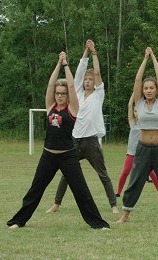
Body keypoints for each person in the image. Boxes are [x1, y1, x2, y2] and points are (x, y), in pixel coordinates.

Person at [7, 52, 110, 229]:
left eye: (63, 93)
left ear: (68, 95)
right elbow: (50, 84)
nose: (60, 95)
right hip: (48, 156)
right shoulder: (50, 107)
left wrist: (66, 65)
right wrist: (57, 63)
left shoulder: (73, 109)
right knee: (35, 190)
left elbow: (72, 85)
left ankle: (98, 224)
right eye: (58, 93)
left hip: (68, 156)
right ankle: (18, 221)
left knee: (81, 191)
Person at [46, 40, 118, 214]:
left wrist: (94, 53)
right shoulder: (76, 94)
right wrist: (85, 53)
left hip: (91, 141)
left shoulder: (99, 94)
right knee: (66, 174)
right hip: (74, 140)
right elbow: (78, 73)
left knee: (103, 174)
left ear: (95, 83)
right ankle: (56, 204)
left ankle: (114, 205)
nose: (87, 81)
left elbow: (98, 72)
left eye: (90, 79)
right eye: (86, 79)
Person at [116, 47, 158, 224]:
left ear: (156, 90)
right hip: (143, 148)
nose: (149, 90)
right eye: (146, 88)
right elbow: (138, 79)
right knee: (135, 180)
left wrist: (153, 57)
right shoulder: (139, 103)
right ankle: (125, 215)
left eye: (151, 88)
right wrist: (144, 59)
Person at [116, 94, 158, 197]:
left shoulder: (147, 122)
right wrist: (134, 93)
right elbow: (129, 105)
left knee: (152, 173)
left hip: (144, 153)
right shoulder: (132, 123)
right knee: (125, 172)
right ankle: (118, 192)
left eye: (138, 111)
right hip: (132, 153)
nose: (137, 113)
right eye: (135, 111)